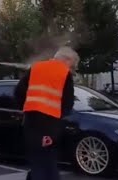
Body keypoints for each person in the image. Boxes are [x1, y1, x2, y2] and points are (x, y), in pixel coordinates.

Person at [14, 46, 79, 180]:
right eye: (72, 66)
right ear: (66, 60)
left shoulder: (36, 67)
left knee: (37, 162)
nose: (71, 69)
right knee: (47, 165)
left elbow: (18, 92)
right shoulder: (64, 73)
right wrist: (54, 131)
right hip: (49, 127)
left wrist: (27, 108)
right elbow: (67, 104)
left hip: (30, 123)